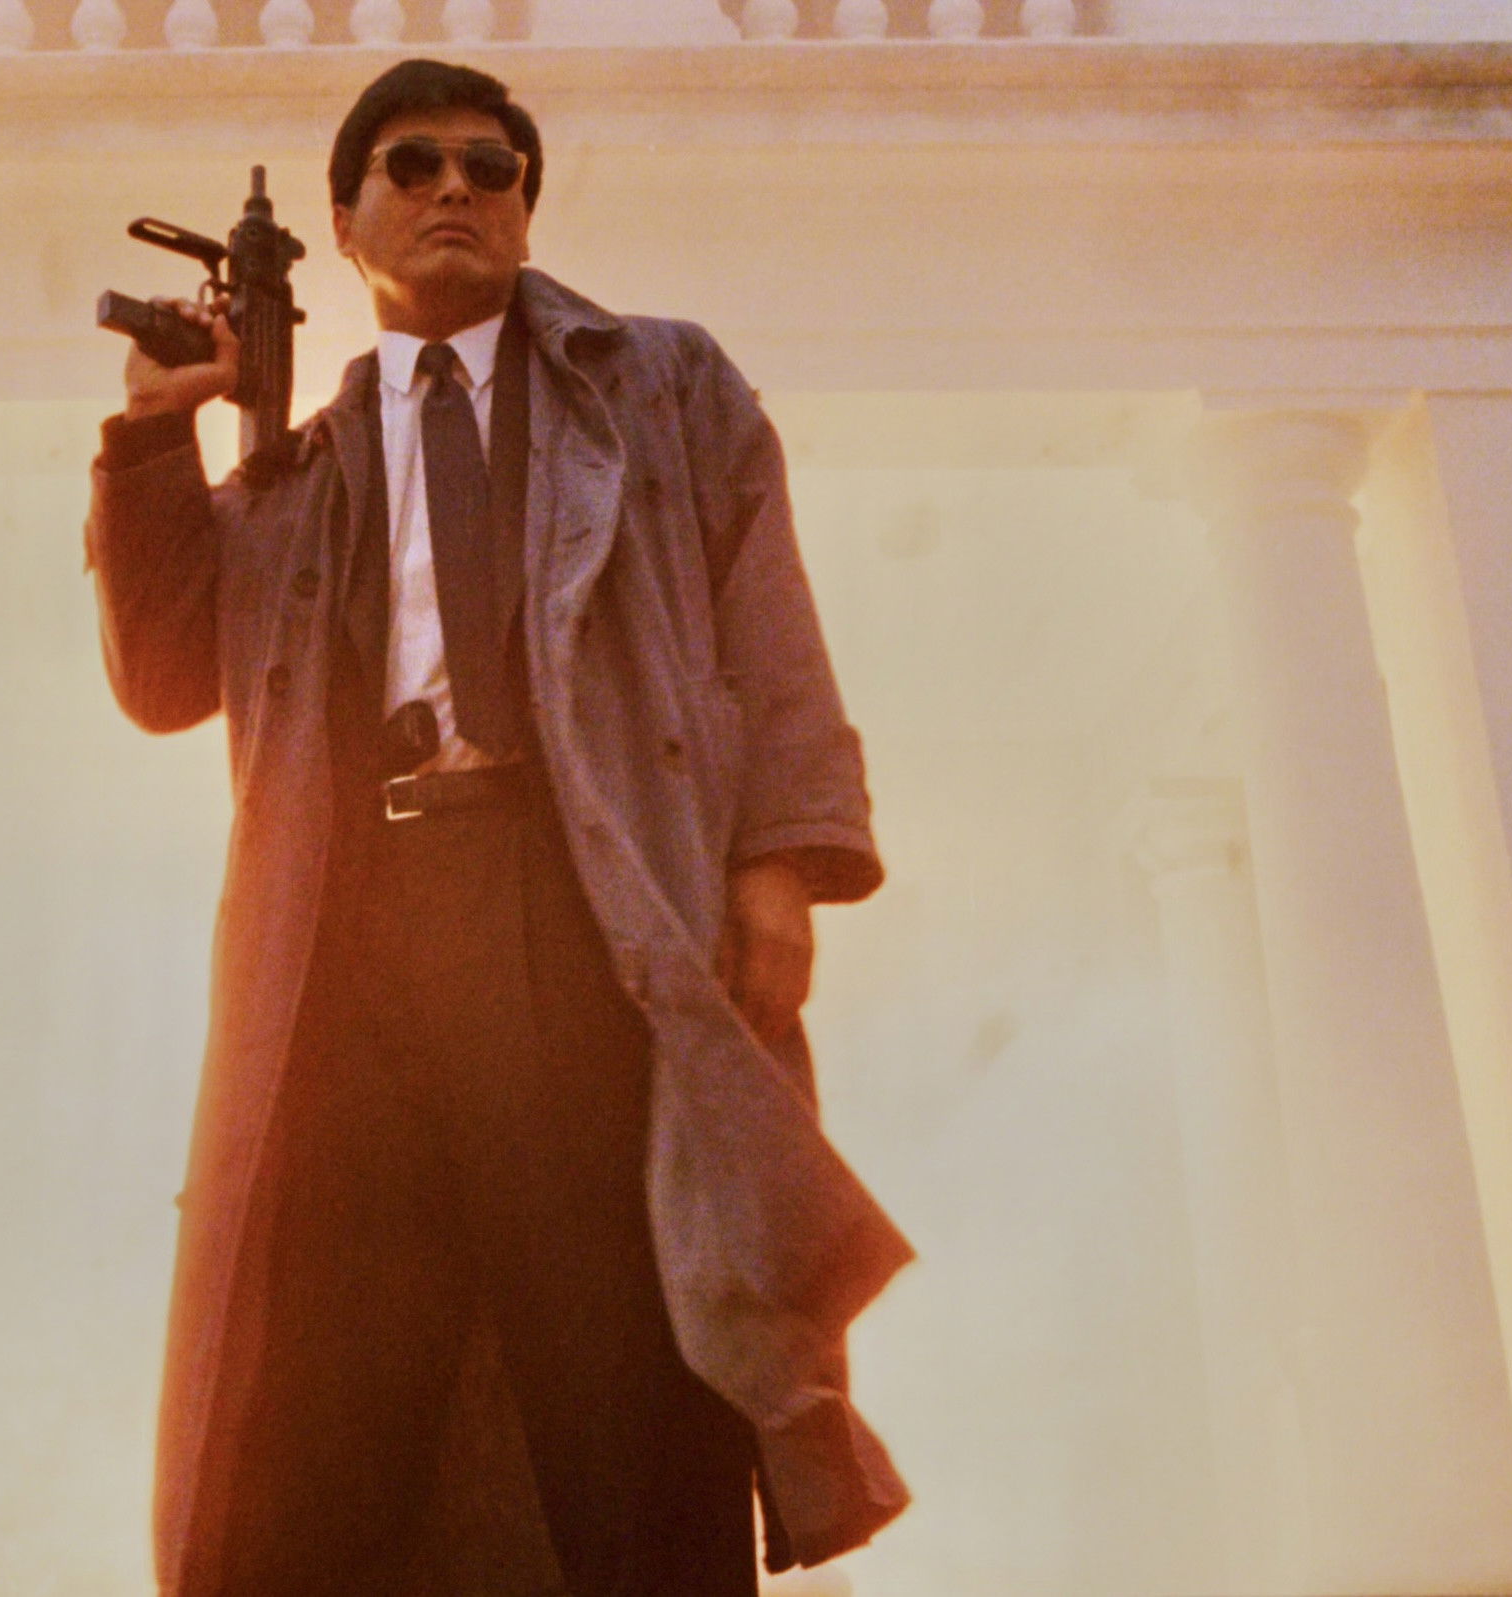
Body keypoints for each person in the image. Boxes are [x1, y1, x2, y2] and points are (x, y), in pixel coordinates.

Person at [85, 58, 912, 1597]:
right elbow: (163, 675)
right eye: (414, 164)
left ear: (528, 212)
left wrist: (780, 861)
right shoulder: (300, 465)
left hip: (579, 904)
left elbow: (765, 616)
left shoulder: (659, 385)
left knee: (627, 1383)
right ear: (347, 223)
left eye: (493, 165)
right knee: (317, 1389)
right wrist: (151, 438)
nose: (457, 186)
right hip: (350, 939)